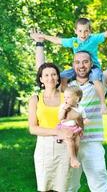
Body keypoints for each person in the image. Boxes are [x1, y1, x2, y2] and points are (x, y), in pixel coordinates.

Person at [30, 22, 107, 192]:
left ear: (92, 64)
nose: (81, 65)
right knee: (68, 187)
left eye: (85, 62)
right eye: (77, 62)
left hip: (92, 142)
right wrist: (39, 43)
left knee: (99, 186)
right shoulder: (65, 86)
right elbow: (43, 71)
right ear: (73, 64)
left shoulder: (100, 82)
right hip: (68, 144)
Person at [37, 18, 107, 115]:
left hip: (94, 68)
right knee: (62, 77)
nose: (83, 34)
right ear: (75, 31)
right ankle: (66, 103)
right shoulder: (73, 41)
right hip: (74, 73)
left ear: (90, 31)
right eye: (80, 31)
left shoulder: (93, 39)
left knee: (96, 78)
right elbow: (58, 41)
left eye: (86, 31)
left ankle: (103, 103)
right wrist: (43, 37)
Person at [28, 63, 74, 192]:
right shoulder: (35, 99)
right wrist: (57, 131)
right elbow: (33, 128)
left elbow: (73, 120)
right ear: (41, 79)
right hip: (43, 147)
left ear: (58, 78)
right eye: (46, 75)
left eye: (54, 74)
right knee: (45, 188)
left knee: (62, 188)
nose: (50, 78)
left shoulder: (66, 97)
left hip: (64, 147)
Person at [57, 85, 89, 168]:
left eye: (68, 97)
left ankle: (75, 157)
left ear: (77, 99)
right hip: (65, 127)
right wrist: (64, 110)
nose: (65, 99)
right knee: (70, 141)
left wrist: (85, 121)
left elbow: (83, 118)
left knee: (77, 141)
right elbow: (60, 118)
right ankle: (73, 158)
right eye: (64, 97)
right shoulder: (63, 106)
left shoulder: (80, 108)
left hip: (75, 128)